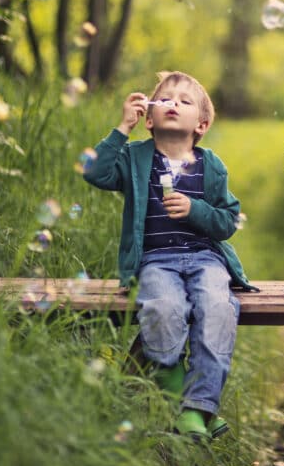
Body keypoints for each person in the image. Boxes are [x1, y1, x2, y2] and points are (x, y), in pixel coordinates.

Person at [83, 70, 255, 441]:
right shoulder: (134, 158)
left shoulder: (211, 166)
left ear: (202, 124)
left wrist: (195, 211)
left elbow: (227, 221)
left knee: (218, 309)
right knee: (162, 308)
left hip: (206, 259)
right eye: (166, 99)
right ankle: (185, 403)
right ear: (149, 117)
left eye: (185, 100)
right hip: (156, 260)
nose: (173, 103)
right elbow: (94, 172)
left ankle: (199, 406)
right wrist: (121, 128)